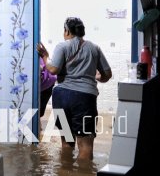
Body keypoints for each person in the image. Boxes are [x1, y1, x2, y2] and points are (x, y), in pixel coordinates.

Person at [36, 16, 112, 161]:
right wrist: (96, 77)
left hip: (62, 97)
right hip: (84, 99)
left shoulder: (62, 46)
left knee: (66, 142)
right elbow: (107, 75)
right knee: (85, 145)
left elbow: (52, 69)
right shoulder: (94, 48)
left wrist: (45, 56)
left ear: (67, 31)